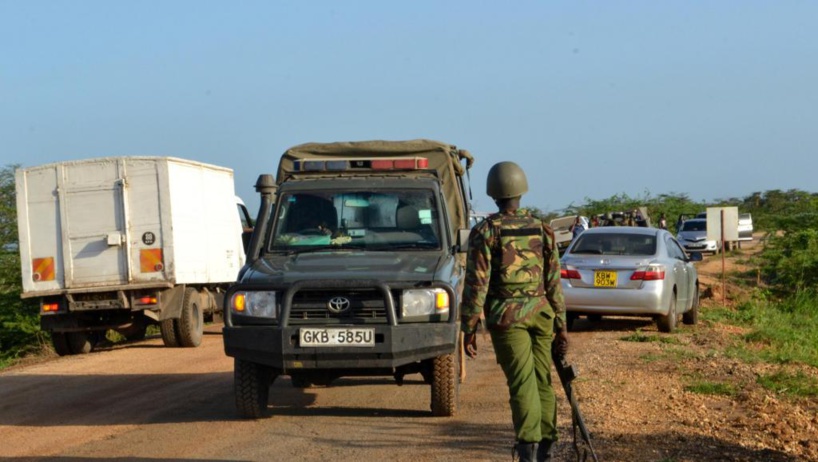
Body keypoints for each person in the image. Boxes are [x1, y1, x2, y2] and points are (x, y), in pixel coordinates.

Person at [461, 161, 569, 462]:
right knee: (541, 379)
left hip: (508, 317)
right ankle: (546, 449)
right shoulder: (542, 228)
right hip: (542, 313)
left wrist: (468, 327)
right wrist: (562, 324)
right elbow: (553, 282)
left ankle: (528, 450)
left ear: (493, 194)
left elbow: (476, 284)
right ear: (521, 191)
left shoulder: (486, 231)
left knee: (523, 382)